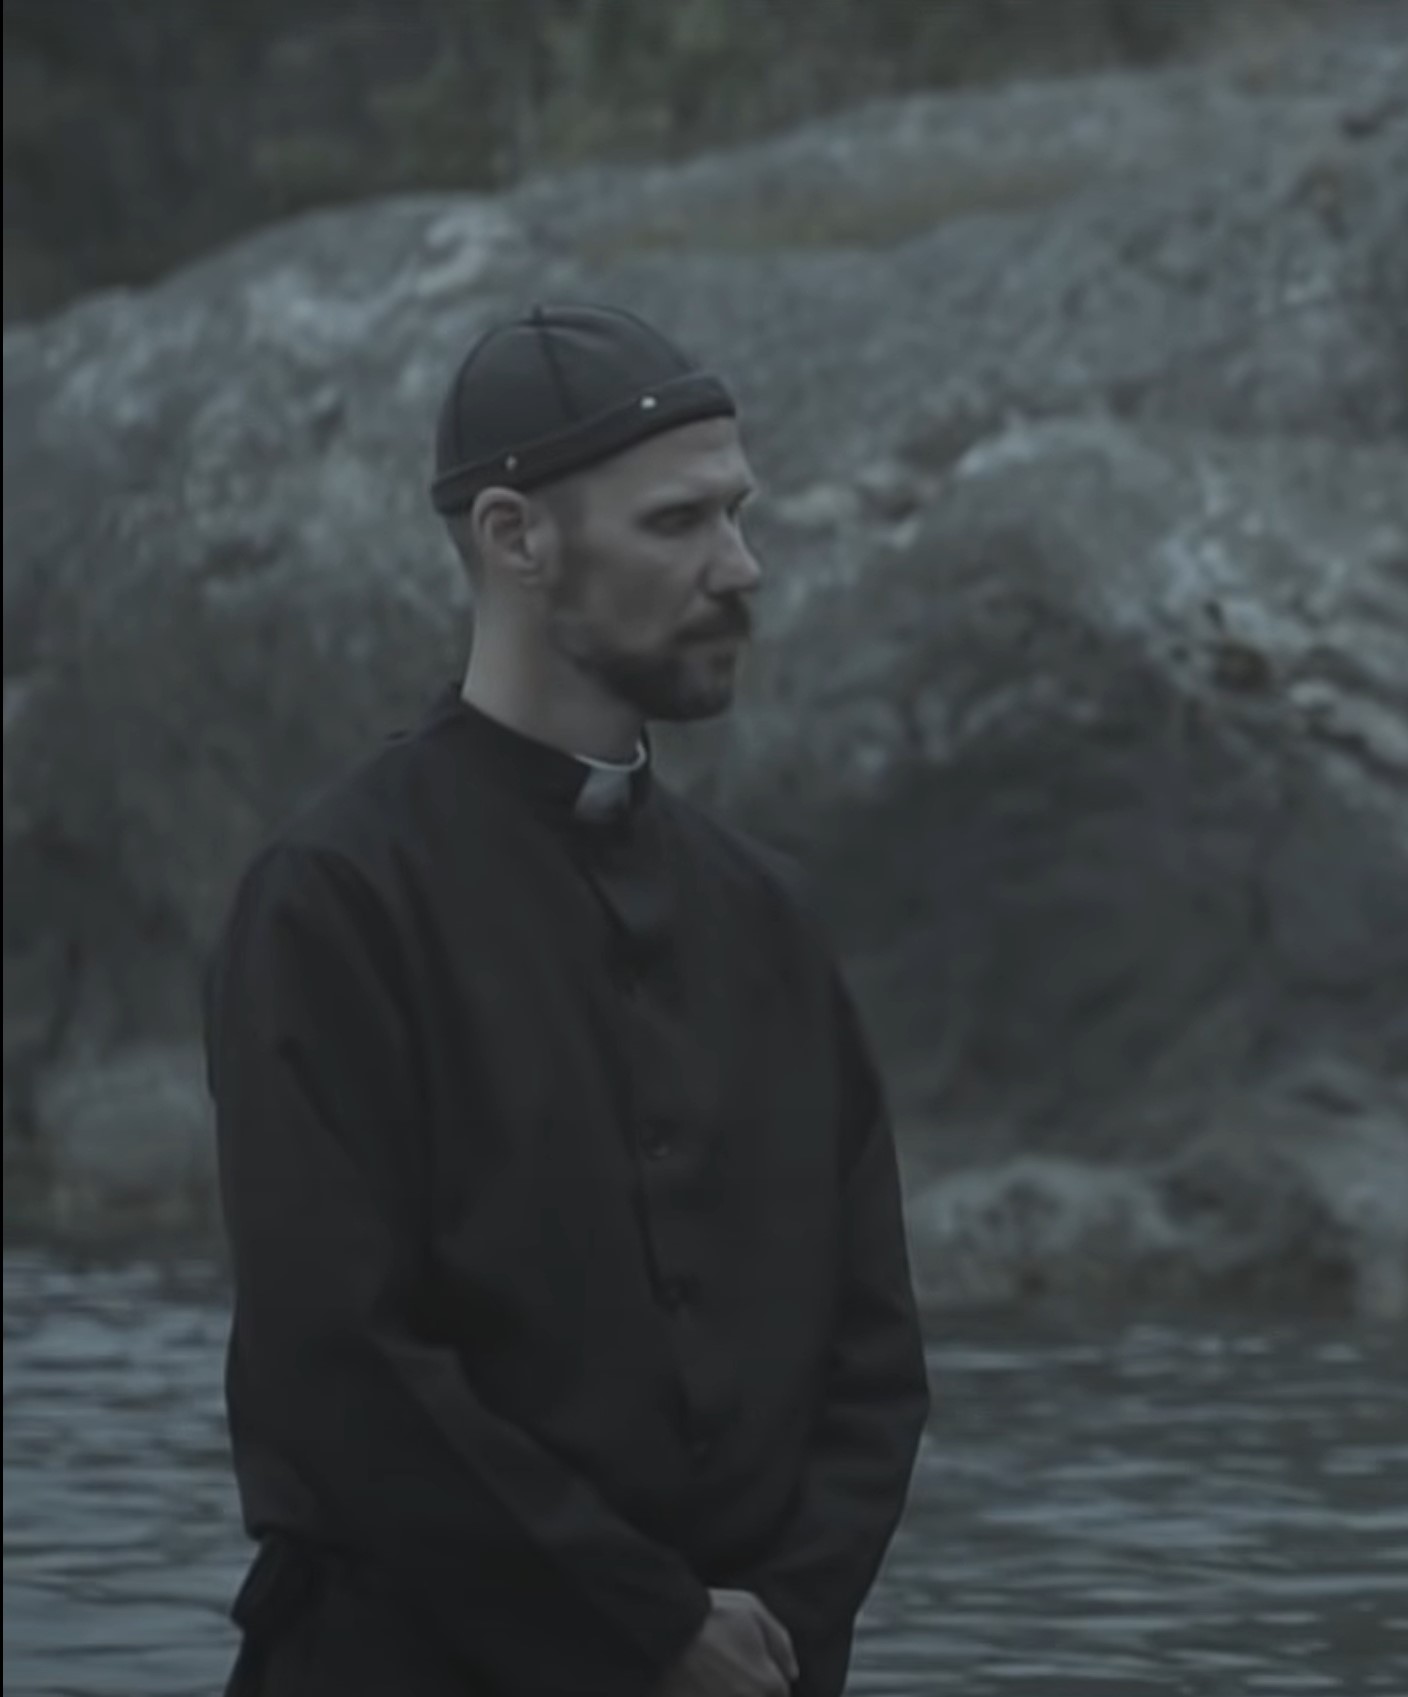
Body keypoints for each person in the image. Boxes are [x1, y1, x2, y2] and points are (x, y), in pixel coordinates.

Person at [200, 302, 930, 1697]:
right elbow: (337, 1361)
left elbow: (873, 1355)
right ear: (515, 537)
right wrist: (648, 1629)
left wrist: (772, 1631)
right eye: (678, 523)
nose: (741, 566)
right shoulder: (336, 899)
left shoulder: (768, 916)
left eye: (737, 513)